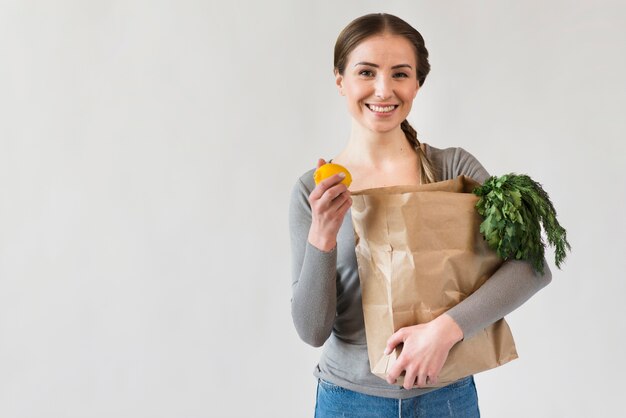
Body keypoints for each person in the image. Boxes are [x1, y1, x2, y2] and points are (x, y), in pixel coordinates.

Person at [288, 13, 552, 418]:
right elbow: (312, 330)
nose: (383, 89)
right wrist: (322, 235)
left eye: (400, 73)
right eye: (366, 72)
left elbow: (531, 266)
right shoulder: (314, 190)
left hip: (447, 398)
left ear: (417, 83)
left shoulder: (453, 169)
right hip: (347, 401)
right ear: (340, 81)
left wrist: (445, 331)